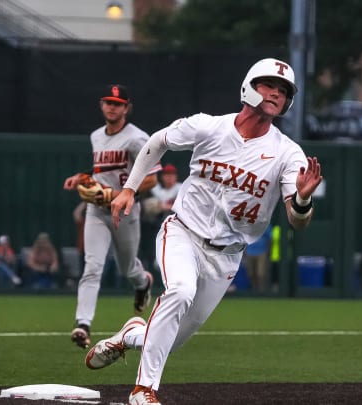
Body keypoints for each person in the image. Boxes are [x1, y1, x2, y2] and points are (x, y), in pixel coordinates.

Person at [85, 58, 323, 405]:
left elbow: (297, 220)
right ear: (248, 86)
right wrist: (129, 188)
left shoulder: (288, 154)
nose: (275, 92)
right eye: (268, 84)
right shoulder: (209, 127)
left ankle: (131, 334)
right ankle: (143, 390)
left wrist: (302, 199)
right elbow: (157, 141)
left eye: (283, 90)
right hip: (182, 231)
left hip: (226, 256)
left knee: (170, 339)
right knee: (179, 291)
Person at [63, 84, 160, 350]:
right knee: (92, 266)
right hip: (98, 211)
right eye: (108, 102)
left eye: (117, 103)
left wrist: (121, 193)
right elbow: (101, 175)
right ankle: (83, 324)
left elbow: (151, 180)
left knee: (128, 268)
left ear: (127, 108)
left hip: (126, 211)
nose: (112, 107)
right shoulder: (96, 136)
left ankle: (143, 283)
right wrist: (82, 178)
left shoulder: (138, 138)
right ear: (101, 105)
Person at [242, 225, 272, 292]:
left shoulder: (265, 224)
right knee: (251, 273)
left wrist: (268, 251)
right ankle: (254, 290)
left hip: (262, 252)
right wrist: (244, 252)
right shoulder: (248, 225)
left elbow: (270, 238)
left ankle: (261, 290)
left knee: (261, 273)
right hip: (249, 252)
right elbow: (243, 239)